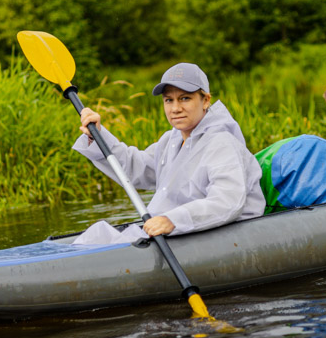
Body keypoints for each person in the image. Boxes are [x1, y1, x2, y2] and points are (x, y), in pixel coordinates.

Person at [72, 62, 265, 245]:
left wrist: (172, 220)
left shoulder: (222, 143)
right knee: (96, 235)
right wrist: (97, 136)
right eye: (168, 100)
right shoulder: (171, 140)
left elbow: (227, 201)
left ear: (205, 100)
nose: (175, 109)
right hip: (172, 233)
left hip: (216, 237)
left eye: (185, 98)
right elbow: (135, 169)